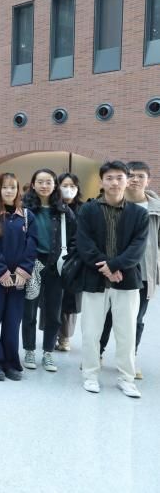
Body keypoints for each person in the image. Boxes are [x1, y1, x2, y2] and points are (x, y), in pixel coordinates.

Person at [77, 161, 148, 397]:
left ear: (127, 181)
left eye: (119, 178)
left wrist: (115, 266)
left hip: (127, 281)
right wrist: (108, 268)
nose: (114, 182)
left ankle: (127, 378)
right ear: (101, 181)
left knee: (126, 332)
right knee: (91, 332)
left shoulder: (139, 213)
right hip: (94, 280)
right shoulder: (88, 210)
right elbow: (84, 245)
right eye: (109, 178)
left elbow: (138, 248)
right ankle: (90, 375)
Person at [99, 161, 160, 380]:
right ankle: (97, 353)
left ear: (148, 180)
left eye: (140, 176)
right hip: (111, 270)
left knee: (137, 318)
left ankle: (129, 359)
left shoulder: (156, 209)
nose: (135, 180)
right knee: (106, 315)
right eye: (131, 175)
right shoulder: (113, 203)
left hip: (143, 273)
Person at [0, 173, 37, 381]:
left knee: (12, 322)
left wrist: (23, 271)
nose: (9, 191)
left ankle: (10, 362)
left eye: (13, 187)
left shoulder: (27, 216)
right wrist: (1, 271)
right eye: (5, 187)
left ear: (18, 190)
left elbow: (32, 245)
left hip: (19, 279)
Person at [20, 169, 76, 373]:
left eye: (48, 182)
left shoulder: (63, 211)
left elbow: (74, 238)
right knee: (29, 311)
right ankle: (29, 350)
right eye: (40, 182)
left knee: (53, 312)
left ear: (54, 185)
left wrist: (68, 259)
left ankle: (48, 352)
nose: (44, 186)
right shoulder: (24, 209)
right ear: (33, 184)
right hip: (32, 265)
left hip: (55, 266)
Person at [56, 172, 83, 352]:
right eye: (65, 185)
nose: (69, 189)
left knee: (70, 300)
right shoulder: (53, 207)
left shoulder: (83, 209)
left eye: (72, 186)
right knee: (52, 299)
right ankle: (52, 333)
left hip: (75, 260)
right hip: (53, 259)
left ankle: (65, 336)